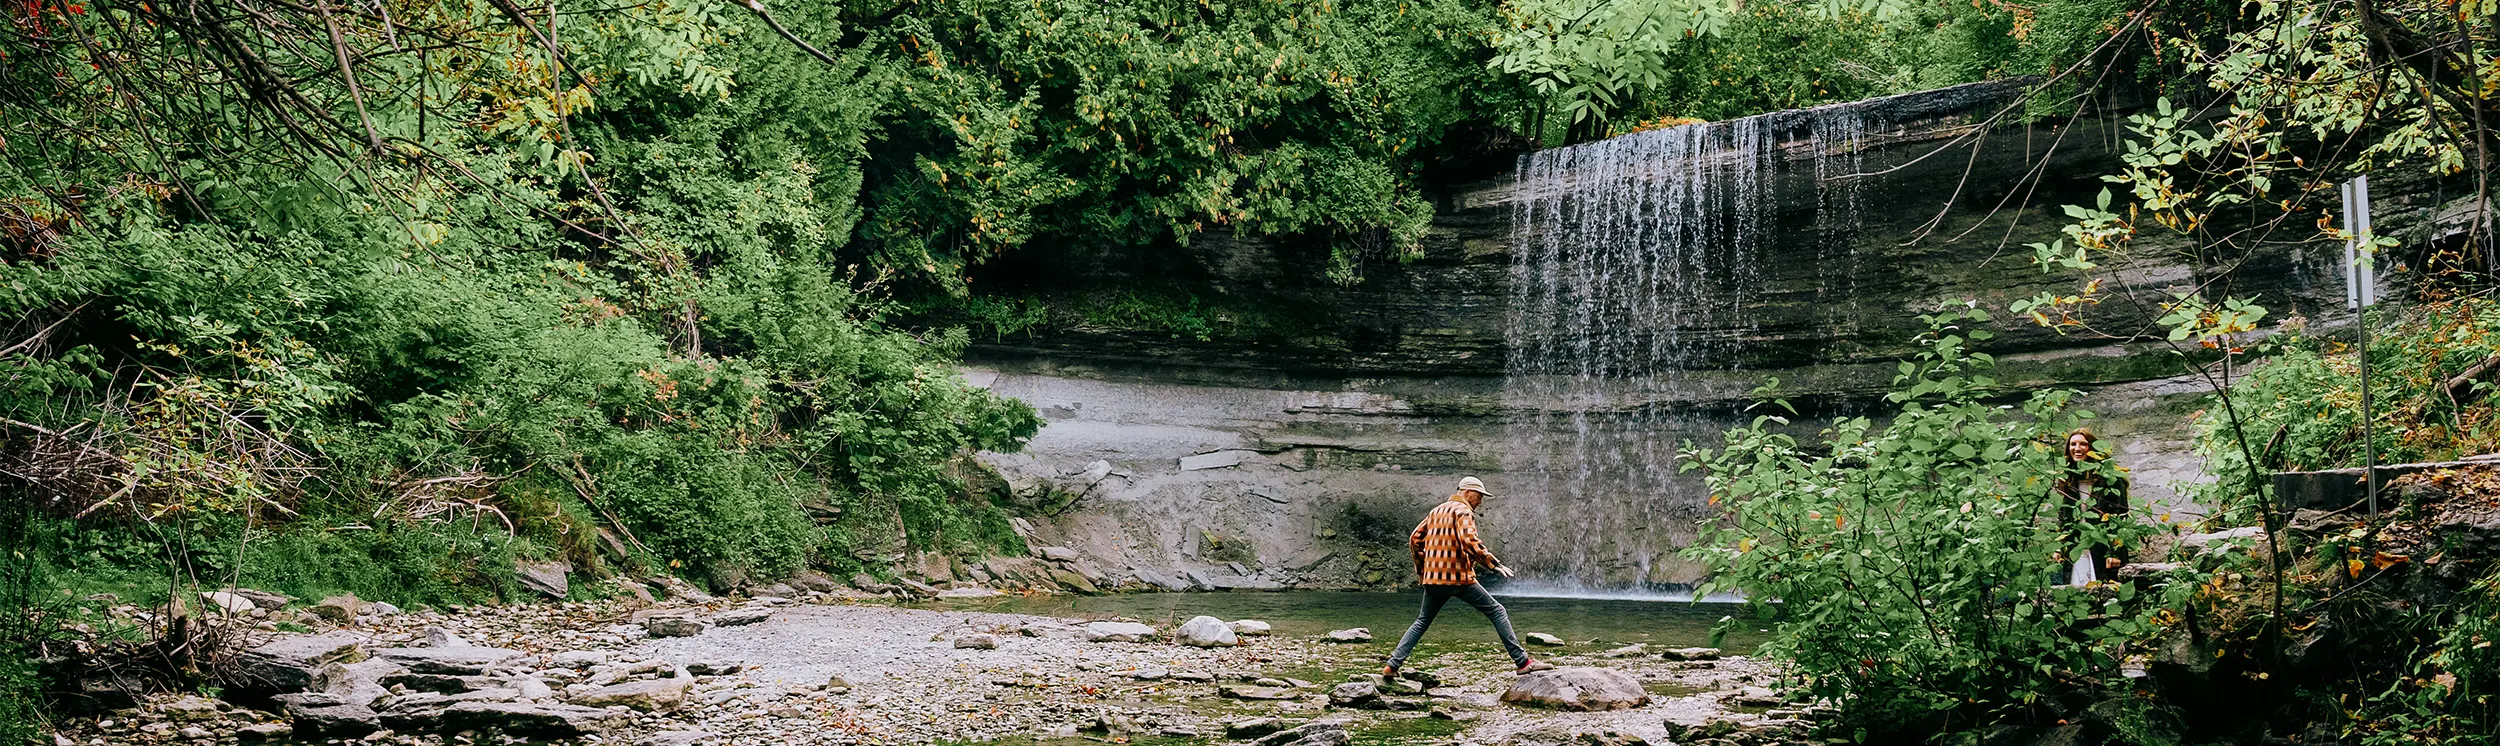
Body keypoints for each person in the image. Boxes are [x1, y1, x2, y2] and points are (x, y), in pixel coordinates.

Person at [1383, 476, 1547, 678]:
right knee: (1497, 611)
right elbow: (1469, 540)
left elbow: (1415, 539)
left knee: (1422, 621)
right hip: (1459, 578)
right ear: (1468, 492)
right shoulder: (1463, 511)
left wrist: (1422, 571)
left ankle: (1392, 666)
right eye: (1479, 496)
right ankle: (1523, 662)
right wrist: (1493, 563)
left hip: (1433, 579)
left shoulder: (1436, 511)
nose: (1480, 502)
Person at [2053, 429, 2131, 586]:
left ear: (2093, 448)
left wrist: (2113, 551)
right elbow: (2064, 516)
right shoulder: (2070, 480)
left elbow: (2120, 515)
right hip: (2078, 546)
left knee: (2105, 594)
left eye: (2083, 444)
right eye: (2073, 444)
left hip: (2103, 547)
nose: (2077, 448)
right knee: (2077, 593)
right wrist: (2059, 547)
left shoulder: (2111, 478)